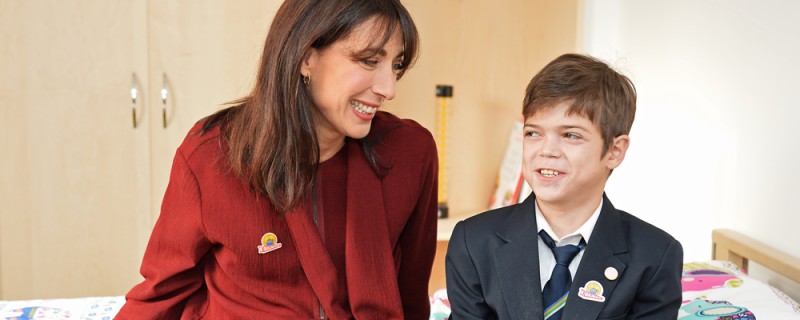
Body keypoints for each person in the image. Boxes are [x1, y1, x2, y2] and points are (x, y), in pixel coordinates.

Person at [115, 0, 438, 319]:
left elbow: (410, 297)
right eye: (369, 61)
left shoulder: (411, 153)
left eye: (396, 65)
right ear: (306, 57)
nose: (389, 88)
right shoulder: (212, 156)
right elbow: (163, 294)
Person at [445, 53, 683, 319]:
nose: (546, 150)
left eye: (570, 135)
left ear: (615, 151)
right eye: (533, 133)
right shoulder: (474, 242)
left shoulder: (655, 254)